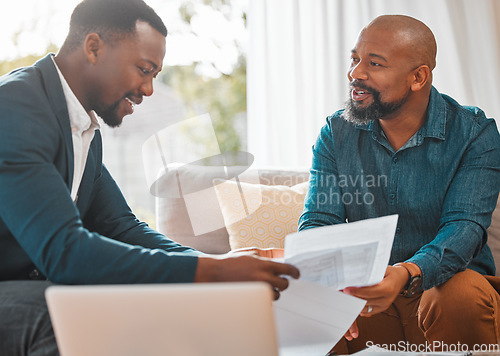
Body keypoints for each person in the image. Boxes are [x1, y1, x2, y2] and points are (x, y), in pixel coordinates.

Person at [0, 0, 299, 355]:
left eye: (155, 75)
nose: (149, 89)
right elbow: (66, 253)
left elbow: (122, 226)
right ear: (93, 48)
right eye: (144, 70)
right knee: (67, 316)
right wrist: (211, 273)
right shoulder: (15, 108)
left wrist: (218, 264)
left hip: (26, 283)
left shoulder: (83, 128)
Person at [299, 14, 500, 353]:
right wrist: (327, 284)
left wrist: (408, 273)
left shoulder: (474, 134)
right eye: (355, 59)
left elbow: (464, 228)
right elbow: (320, 221)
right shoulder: (336, 133)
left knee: (459, 294)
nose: (356, 73)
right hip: (368, 302)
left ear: (418, 77)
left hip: (447, 295)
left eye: (374, 63)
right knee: (309, 306)